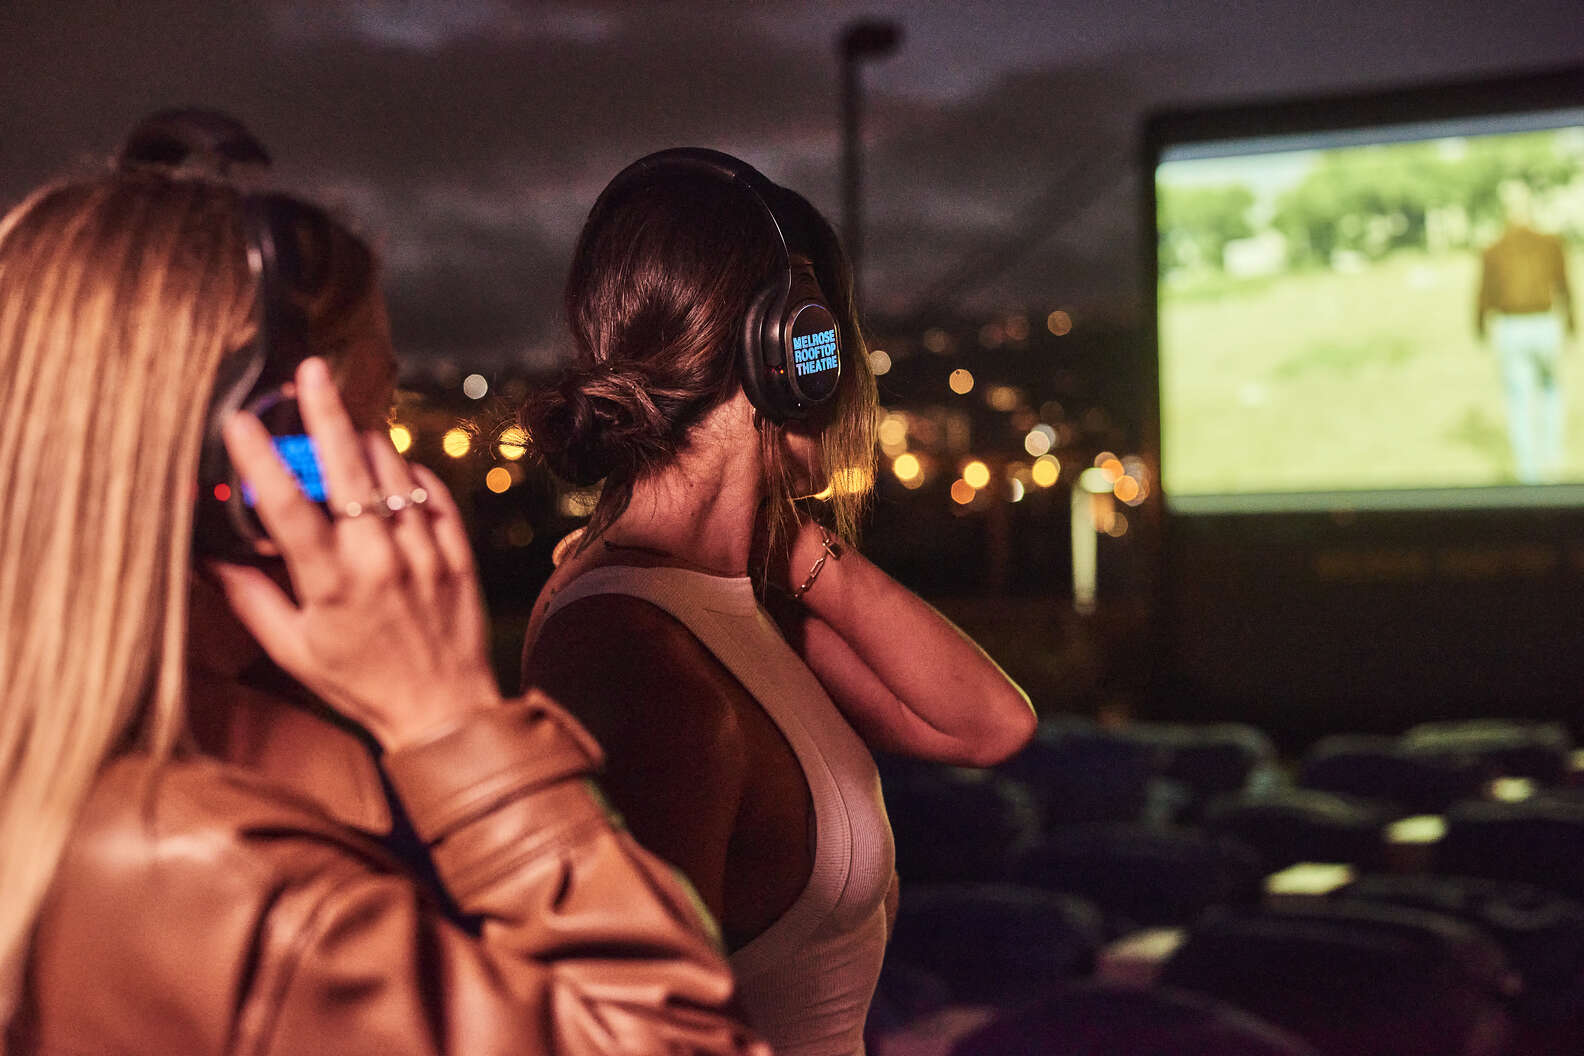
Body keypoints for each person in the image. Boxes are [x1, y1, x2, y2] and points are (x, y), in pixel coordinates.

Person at [0, 165, 768, 1055]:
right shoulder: (221, 885)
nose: (399, 468)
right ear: (251, 475)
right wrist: (453, 715)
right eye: (374, 417)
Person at [519, 149, 1037, 1056]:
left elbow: (985, 726)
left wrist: (779, 531)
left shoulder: (736, 599)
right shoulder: (642, 661)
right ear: (787, 350)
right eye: (829, 336)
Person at [1476, 178, 1576, 484]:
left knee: (1522, 397)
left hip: (1515, 328)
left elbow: (1484, 294)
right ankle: (1550, 465)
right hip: (1540, 325)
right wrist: (1571, 322)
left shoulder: (1496, 247)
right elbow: (1564, 287)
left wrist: (1480, 325)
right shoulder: (1548, 242)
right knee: (1547, 391)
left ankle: (1530, 473)